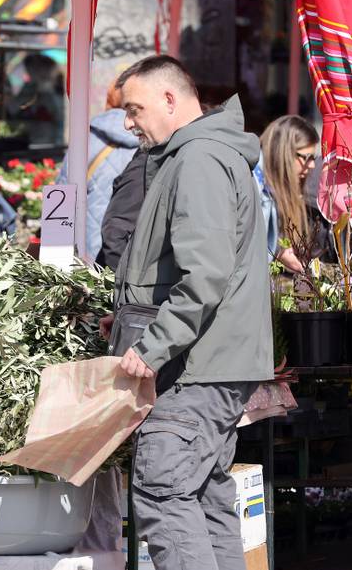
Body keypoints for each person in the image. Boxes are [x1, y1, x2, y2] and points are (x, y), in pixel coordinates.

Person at [102, 56, 272, 570]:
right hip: (208, 362)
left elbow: (205, 275)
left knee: (163, 492)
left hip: (195, 367)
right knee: (205, 499)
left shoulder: (198, 159)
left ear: (170, 99)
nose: (127, 122)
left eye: (134, 109)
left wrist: (152, 345)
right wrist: (131, 316)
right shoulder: (200, 154)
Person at [56, 83, 139, 259]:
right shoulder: (150, 141)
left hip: (84, 249)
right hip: (126, 252)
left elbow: (62, 194)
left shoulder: (86, 136)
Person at [257, 116, 328, 271]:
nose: (312, 165)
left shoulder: (290, 189)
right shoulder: (255, 185)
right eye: (307, 157)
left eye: (314, 158)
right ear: (283, 153)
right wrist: (278, 251)